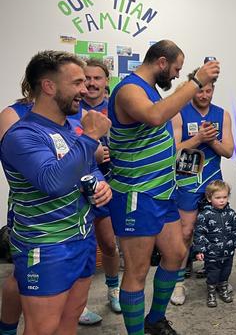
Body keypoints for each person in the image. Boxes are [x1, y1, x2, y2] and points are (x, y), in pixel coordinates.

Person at [107, 40, 220, 334]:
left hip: (163, 192)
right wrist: (196, 82)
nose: (175, 76)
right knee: (137, 270)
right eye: (175, 69)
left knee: (174, 254)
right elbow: (156, 116)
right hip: (136, 193)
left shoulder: (151, 90)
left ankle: (155, 319)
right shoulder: (130, 88)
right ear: (160, 62)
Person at [1, 50, 112, 334]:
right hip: (46, 246)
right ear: (49, 86)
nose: (84, 89)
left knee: (68, 322)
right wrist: (89, 137)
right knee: (43, 329)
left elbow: (89, 168)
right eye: (76, 83)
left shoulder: (71, 128)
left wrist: (101, 185)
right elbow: (53, 182)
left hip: (82, 240)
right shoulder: (22, 135)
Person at [170, 68, 234, 305]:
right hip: (186, 180)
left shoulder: (222, 115)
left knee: (217, 229)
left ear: (213, 90)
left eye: (209, 91)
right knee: (185, 231)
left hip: (212, 180)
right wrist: (198, 139)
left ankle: (216, 278)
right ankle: (178, 282)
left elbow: (228, 151)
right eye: (200, 90)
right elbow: (173, 151)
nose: (204, 95)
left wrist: (212, 140)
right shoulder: (179, 112)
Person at [76, 58, 122, 324]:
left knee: (108, 243)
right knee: (81, 248)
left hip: (107, 186)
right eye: (86, 78)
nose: (91, 83)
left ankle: (113, 290)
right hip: (75, 189)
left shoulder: (114, 110)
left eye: (97, 78)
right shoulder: (71, 108)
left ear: (106, 82)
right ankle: (79, 305)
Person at [0, 94, 33, 335]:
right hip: (30, 210)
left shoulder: (73, 113)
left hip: (70, 210)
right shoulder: (14, 114)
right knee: (21, 275)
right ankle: (8, 329)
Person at [193, 180, 236, 307]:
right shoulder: (204, 215)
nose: (222, 200)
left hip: (228, 252)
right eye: (218, 198)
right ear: (209, 198)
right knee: (212, 273)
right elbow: (199, 233)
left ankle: (223, 289)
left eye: (224, 197)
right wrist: (199, 250)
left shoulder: (231, 214)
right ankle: (211, 292)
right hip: (211, 253)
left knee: (226, 272)